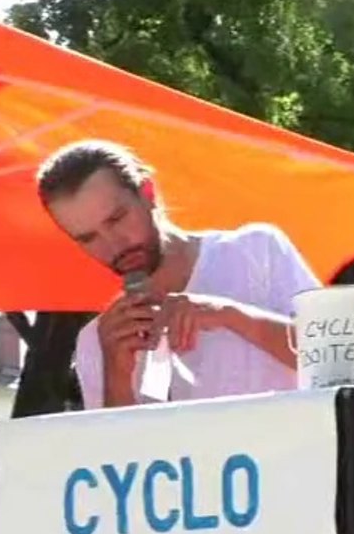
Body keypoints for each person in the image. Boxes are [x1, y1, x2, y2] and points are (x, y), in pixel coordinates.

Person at [35, 140, 322, 408]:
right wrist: (116, 374)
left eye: (116, 218)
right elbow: (116, 455)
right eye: (88, 238)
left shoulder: (255, 251)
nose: (114, 244)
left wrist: (232, 315)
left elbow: (343, 359)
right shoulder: (99, 339)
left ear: (148, 193)